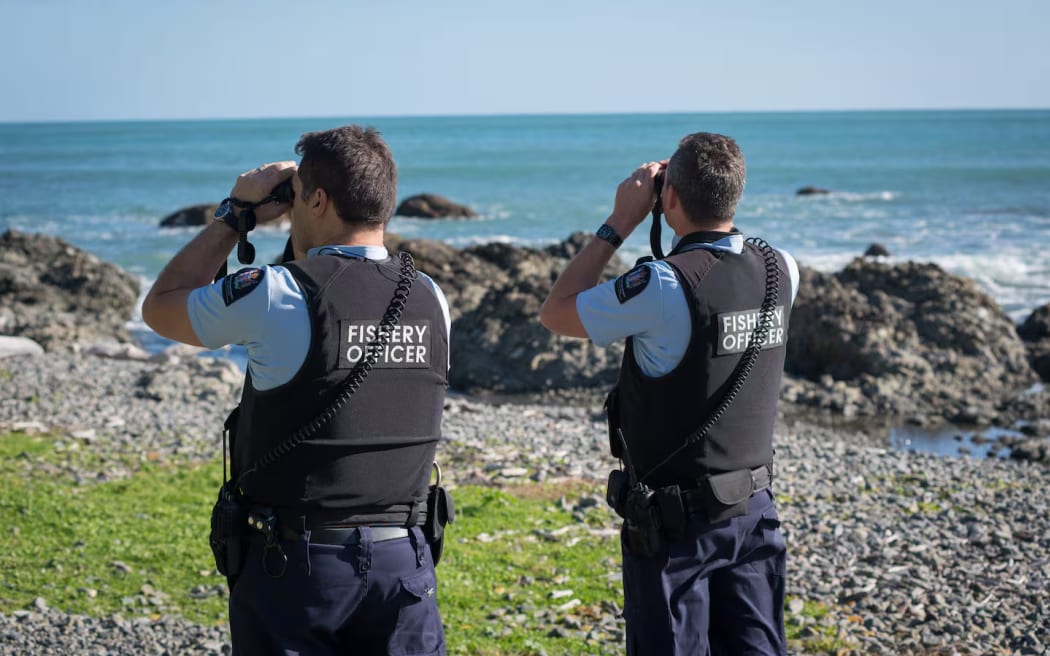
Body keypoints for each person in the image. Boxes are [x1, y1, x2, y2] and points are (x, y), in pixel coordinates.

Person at [142, 125, 450, 656]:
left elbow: (163, 306)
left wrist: (235, 214)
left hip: (298, 570)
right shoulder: (430, 297)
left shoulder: (276, 294)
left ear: (318, 198)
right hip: (406, 563)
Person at [539, 132, 799, 655]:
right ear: (736, 194)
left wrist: (620, 222)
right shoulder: (781, 269)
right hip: (753, 510)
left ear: (670, 198)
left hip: (677, 527)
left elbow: (557, 310)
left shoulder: (664, 285)